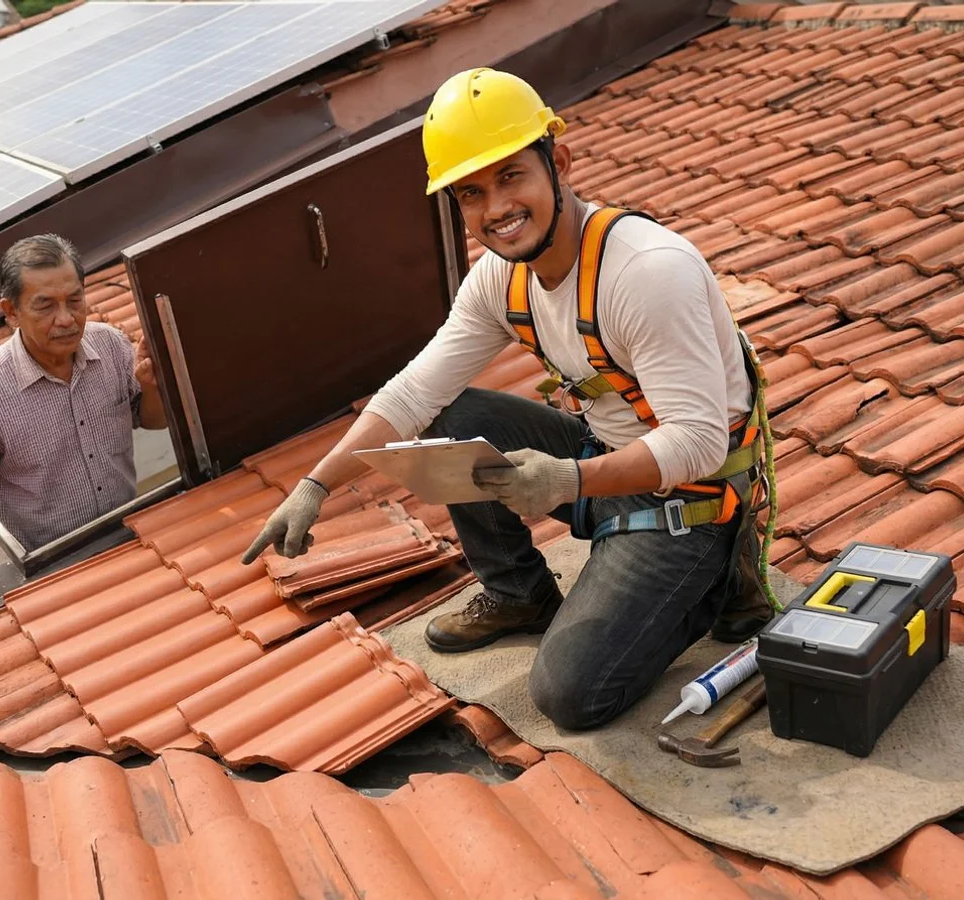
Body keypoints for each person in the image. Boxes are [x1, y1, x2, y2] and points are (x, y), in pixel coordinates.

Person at [240, 68, 774, 730]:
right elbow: (413, 392)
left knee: (571, 695)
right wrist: (316, 485)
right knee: (455, 415)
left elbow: (696, 442)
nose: (495, 208)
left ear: (561, 162)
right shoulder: (500, 279)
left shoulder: (645, 273)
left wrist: (568, 479)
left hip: (694, 498)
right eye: (471, 193)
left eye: (511, 176)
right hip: (607, 458)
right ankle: (519, 592)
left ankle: (719, 579)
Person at [0, 234, 167, 623]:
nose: (67, 318)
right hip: (51, 569)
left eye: (75, 300)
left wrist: (151, 385)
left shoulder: (111, 346)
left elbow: (153, 420)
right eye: (45, 306)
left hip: (134, 532)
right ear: (11, 310)